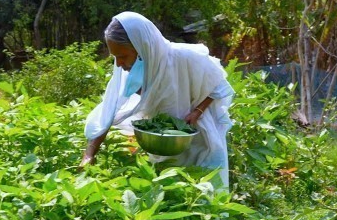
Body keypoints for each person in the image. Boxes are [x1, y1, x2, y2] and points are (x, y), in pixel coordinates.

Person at [81, 11, 234, 188]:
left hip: (200, 139)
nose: (118, 64)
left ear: (142, 48)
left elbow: (219, 85)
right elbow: (108, 111)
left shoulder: (184, 57)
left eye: (122, 57)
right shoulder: (133, 73)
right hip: (164, 144)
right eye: (115, 57)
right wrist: (89, 155)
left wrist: (197, 111)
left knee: (207, 194)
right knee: (170, 194)